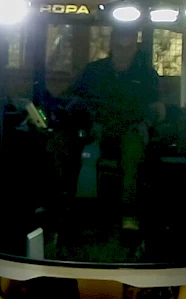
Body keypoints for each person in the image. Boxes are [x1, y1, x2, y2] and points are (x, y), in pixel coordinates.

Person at [69, 27, 162, 214]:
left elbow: (157, 108)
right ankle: (62, 205)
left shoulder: (146, 75)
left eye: (129, 47)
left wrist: (144, 125)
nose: (124, 52)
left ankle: (128, 212)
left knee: (133, 150)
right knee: (58, 143)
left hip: (129, 130)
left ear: (135, 48)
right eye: (120, 47)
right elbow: (73, 98)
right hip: (93, 128)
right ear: (112, 46)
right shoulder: (94, 71)